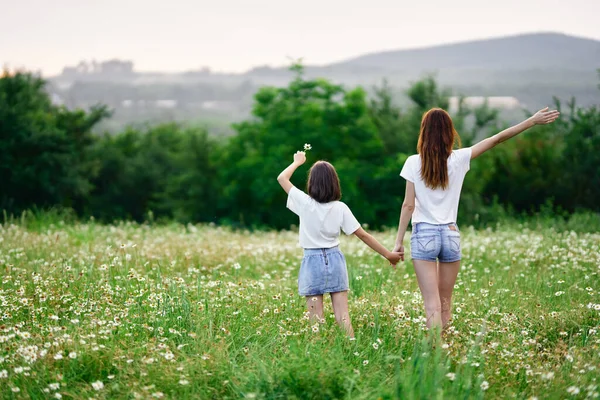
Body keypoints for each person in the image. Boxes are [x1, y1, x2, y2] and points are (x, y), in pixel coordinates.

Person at [393, 107, 560, 332]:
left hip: (424, 234)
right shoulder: (460, 158)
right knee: (445, 303)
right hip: (451, 234)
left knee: (431, 305)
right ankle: (446, 350)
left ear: (424, 132)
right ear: (449, 133)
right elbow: (496, 139)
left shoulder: (413, 162)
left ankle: (433, 353)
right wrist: (531, 121)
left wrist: (398, 242)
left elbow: (408, 205)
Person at [278, 151, 402, 337]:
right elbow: (363, 235)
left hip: (312, 261)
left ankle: (318, 354)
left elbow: (282, 178)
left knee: (315, 318)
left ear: (311, 183)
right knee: (343, 315)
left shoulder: (304, 203)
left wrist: (297, 162)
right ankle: (351, 348)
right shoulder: (340, 207)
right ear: (335, 183)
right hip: (335, 259)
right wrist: (389, 255)